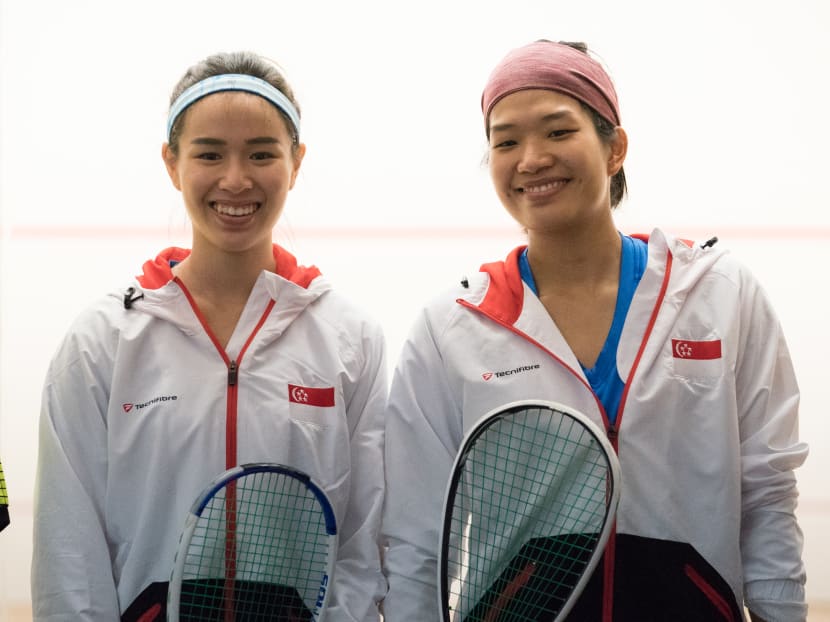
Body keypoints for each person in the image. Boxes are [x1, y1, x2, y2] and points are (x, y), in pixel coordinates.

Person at [381, 40, 808, 621]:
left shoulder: (720, 295)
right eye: (506, 141)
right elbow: (414, 532)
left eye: (558, 132)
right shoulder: (450, 328)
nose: (531, 159)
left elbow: (767, 490)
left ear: (615, 149)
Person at [32, 51, 387, 621]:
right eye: (209, 154)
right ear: (172, 163)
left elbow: (364, 543)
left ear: (296, 162)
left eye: (262, 154)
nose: (235, 179)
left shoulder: (350, 338)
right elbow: (69, 553)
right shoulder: (101, 342)